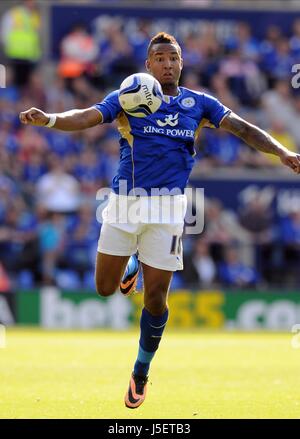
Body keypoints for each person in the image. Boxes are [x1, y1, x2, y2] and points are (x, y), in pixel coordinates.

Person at [19, 32, 300, 409]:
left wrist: (282, 153)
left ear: (181, 63)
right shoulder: (128, 96)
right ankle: (131, 262)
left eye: (174, 58)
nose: (168, 64)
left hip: (167, 210)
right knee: (104, 288)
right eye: (160, 58)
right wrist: (50, 118)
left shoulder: (199, 103)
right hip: (124, 205)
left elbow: (244, 129)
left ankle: (140, 371)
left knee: (155, 298)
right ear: (148, 64)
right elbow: (86, 116)